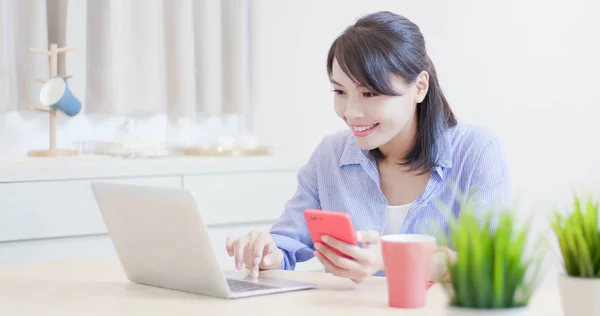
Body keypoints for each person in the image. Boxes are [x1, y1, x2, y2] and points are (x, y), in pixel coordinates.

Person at [225, 11, 510, 284]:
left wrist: (390, 257)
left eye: (369, 93)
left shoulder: (477, 151)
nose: (351, 112)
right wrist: (265, 252)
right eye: (340, 92)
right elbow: (287, 241)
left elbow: (486, 264)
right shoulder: (330, 155)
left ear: (420, 87)